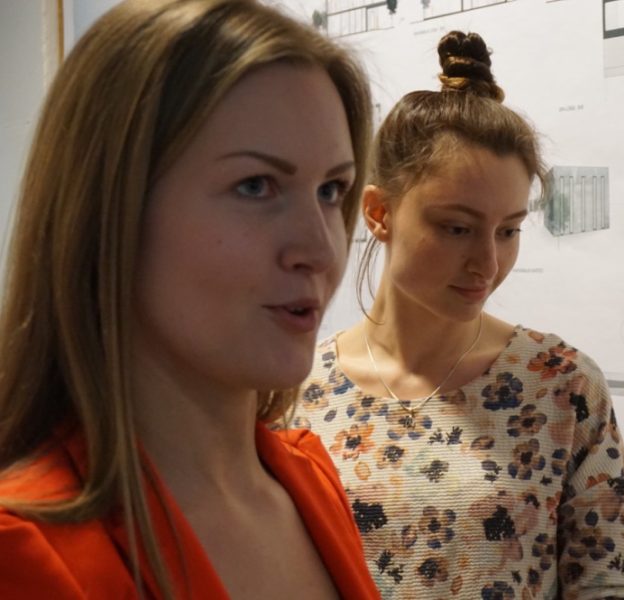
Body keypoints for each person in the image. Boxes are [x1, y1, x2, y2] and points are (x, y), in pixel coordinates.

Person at [0, 1, 380, 598]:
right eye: (255, 186)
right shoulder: (26, 550)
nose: (321, 248)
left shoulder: (307, 478)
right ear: (112, 209)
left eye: (332, 190)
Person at [292, 31, 624, 599]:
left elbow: (607, 582)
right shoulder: (295, 391)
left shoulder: (563, 386)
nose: (488, 263)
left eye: (508, 231)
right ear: (379, 212)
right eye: (457, 228)